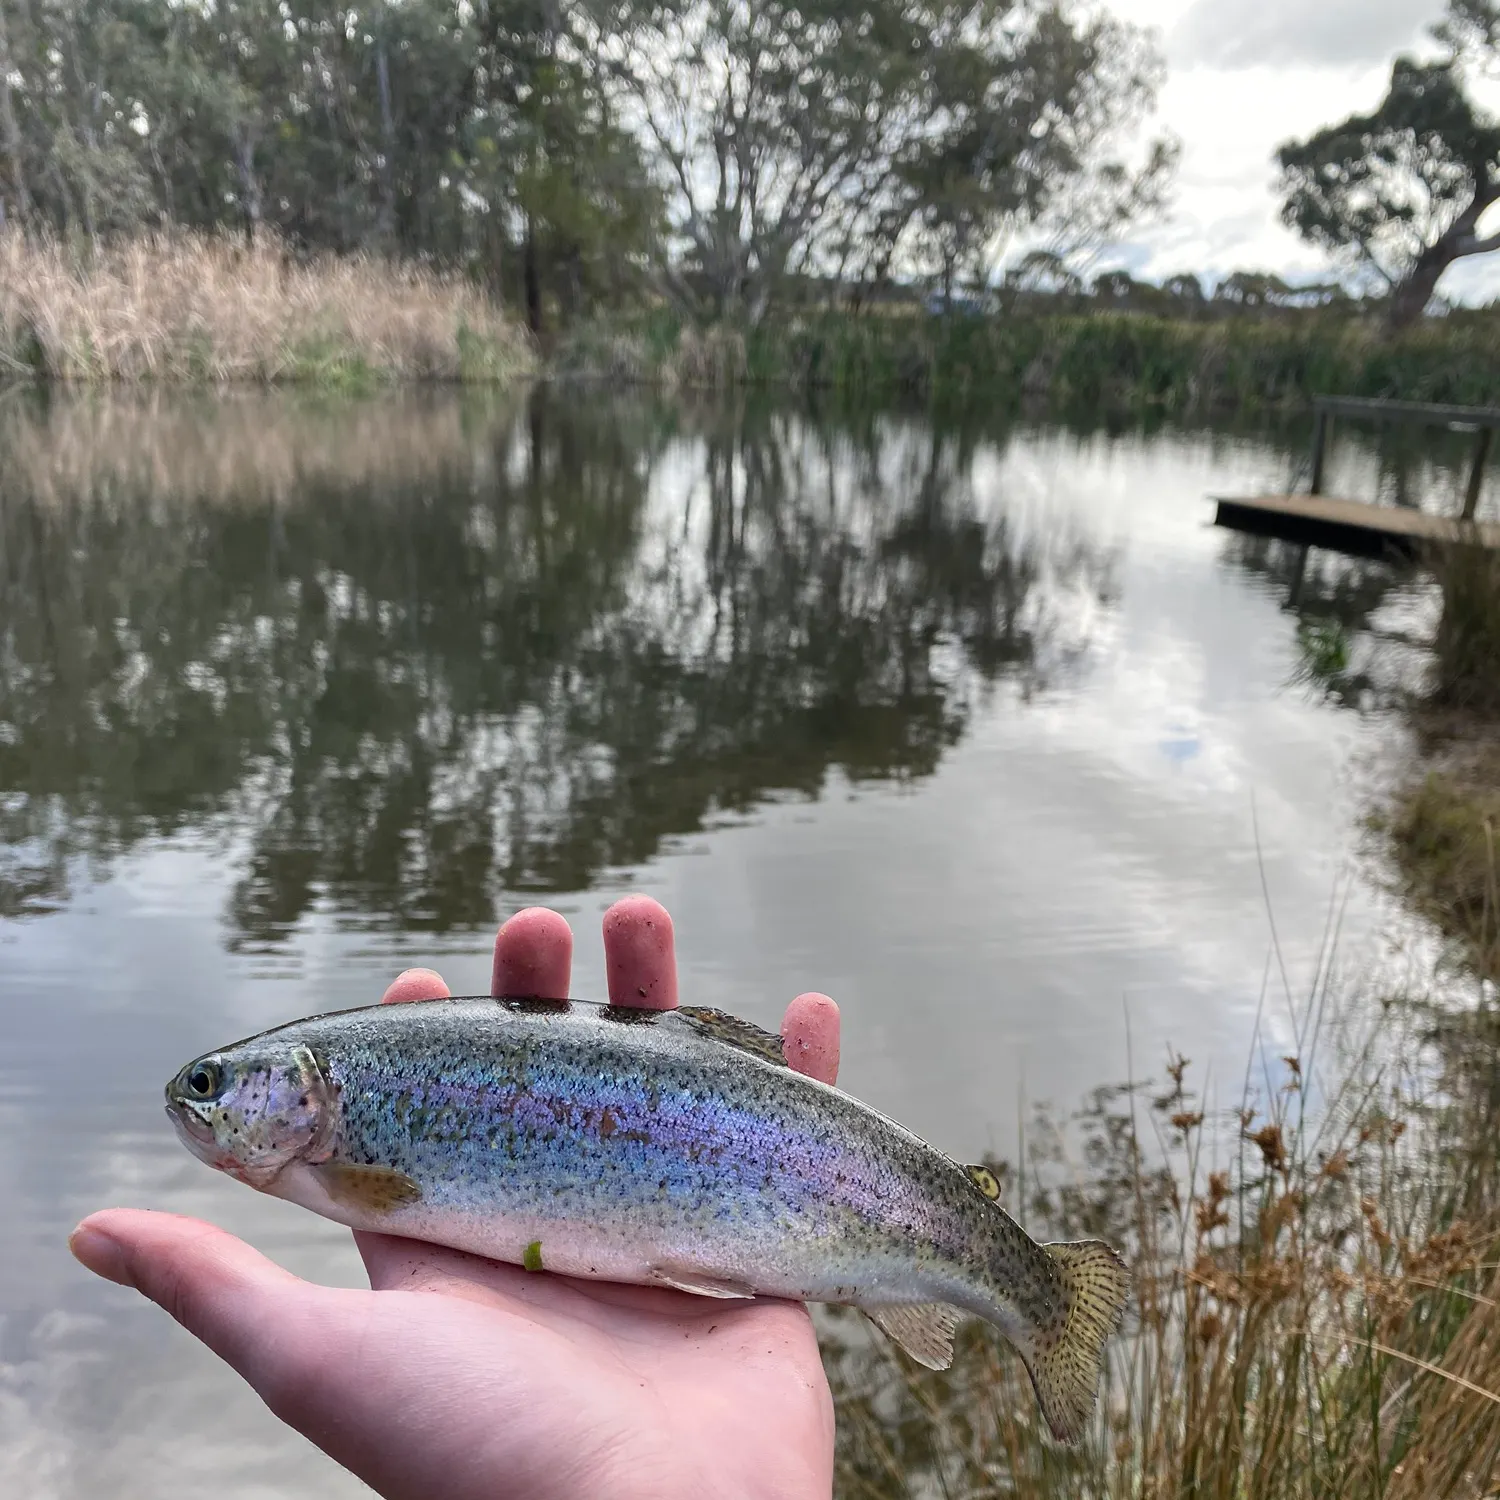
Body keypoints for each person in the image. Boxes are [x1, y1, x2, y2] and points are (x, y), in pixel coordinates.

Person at [69, 896, 843, 1500]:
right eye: (206, 1086)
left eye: (211, 1087)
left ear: (304, 1087)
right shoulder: (328, 1151)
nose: (197, 1102)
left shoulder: (331, 1155)